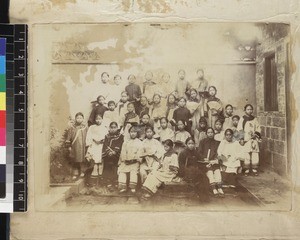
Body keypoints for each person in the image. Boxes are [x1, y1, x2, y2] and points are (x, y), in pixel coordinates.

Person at [178, 137, 210, 202]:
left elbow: (201, 161)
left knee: (205, 179)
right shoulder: (183, 153)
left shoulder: (196, 152)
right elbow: (181, 166)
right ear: (186, 144)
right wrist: (187, 171)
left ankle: (204, 197)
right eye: (189, 143)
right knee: (199, 178)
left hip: (196, 171)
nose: (191, 145)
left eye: (192, 143)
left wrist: (205, 164)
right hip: (187, 172)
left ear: (194, 144)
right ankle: (202, 197)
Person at [237, 104, 261, 176]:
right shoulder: (242, 119)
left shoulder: (254, 119)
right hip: (246, 139)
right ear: (245, 110)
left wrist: (256, 134)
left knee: (255, 153)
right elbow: (240, 129)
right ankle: (246, 169)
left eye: (251, 109)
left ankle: (254, 168)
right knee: (246, 153)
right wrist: (241, 138)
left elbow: (258, 127)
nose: (249, 111)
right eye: (248, 109)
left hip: (253, 139)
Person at [198, 127, 223, 197]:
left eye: (211, 132)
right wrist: (203, 158)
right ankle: (214, 188)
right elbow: (199, 153)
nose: (210, 134)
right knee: (210, 172)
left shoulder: (217, 143)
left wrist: (216, 159)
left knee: (217, 171)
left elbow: (219, 153)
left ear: (214, 133)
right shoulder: (202, 142)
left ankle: (220, 188)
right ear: (206, 134)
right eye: (208, 132)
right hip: (205, 162)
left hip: (214, 162)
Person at [118, 126, 142, 193]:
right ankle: (123, 187)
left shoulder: (139, 142)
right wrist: (125, 159)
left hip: (135, 161)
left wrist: (134, 159)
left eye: (134, 132)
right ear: (129, 133)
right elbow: (123, 151)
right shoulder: (126, 142)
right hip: (126, 161)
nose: (133, 134)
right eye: (131, 132)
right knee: (122, 170)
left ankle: (132, 187)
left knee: (133, 171)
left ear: (137, 133)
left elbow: (140, 153)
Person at [65, 112, 88, 180]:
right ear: (75, 119)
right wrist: (69, 146)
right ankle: (75, 173)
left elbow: (88, 136)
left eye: (80, 118)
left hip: (83, 146)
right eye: (77, 118)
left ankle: (82, 172)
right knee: (75, 159)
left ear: (83, 119)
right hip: (75, 146)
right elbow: (69, 137)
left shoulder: (85, 127)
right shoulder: (72, 127)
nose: (79, 119)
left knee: (82, 159)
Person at [102, 122, 124, 188]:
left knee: (115, 166)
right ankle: (108, 181)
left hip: (117, 154)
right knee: (108, 164)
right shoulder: (107, 136)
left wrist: (115, 151)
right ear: (109, 128)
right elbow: (105, 145)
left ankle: (115, 181)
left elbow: (120, 144)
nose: (113, 129)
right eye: (112, 127)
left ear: (117, 128)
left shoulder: (120, 136)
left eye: (115, 127)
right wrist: (109, 152)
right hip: (108, 154)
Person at [85, 114, 108, 180]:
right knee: (94, 160)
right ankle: (94, 176)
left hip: (101, 145)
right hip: (94, 145)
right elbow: (89, 136)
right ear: (95, 120)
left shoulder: (104, 128)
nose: (98, 121)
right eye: (97, 119)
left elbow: (106, 137)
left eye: (100, 119)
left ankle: (100, 175)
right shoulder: (92, 127)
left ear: (102, 119)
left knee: (100, 160)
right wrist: (90, 143)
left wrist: (102, 141)